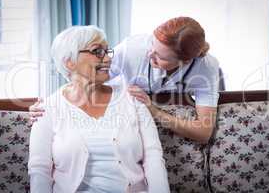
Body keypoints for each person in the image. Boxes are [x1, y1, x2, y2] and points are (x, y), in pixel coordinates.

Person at [30, 16, 219, 143]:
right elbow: (85, 75)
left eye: (160, 57)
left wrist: (153, 111)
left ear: (185, 61)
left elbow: (203, 132)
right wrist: (49, 105)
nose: (149, 54)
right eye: (152, 46)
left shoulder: (206, 67)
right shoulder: (133, 49)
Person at [28, 25, 170, 193]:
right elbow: (39, 170)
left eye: (106, 51)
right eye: (97, 51)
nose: (108, 59)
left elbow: (153, 158)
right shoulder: (47, 109)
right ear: (70, 62)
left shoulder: (132, 98)